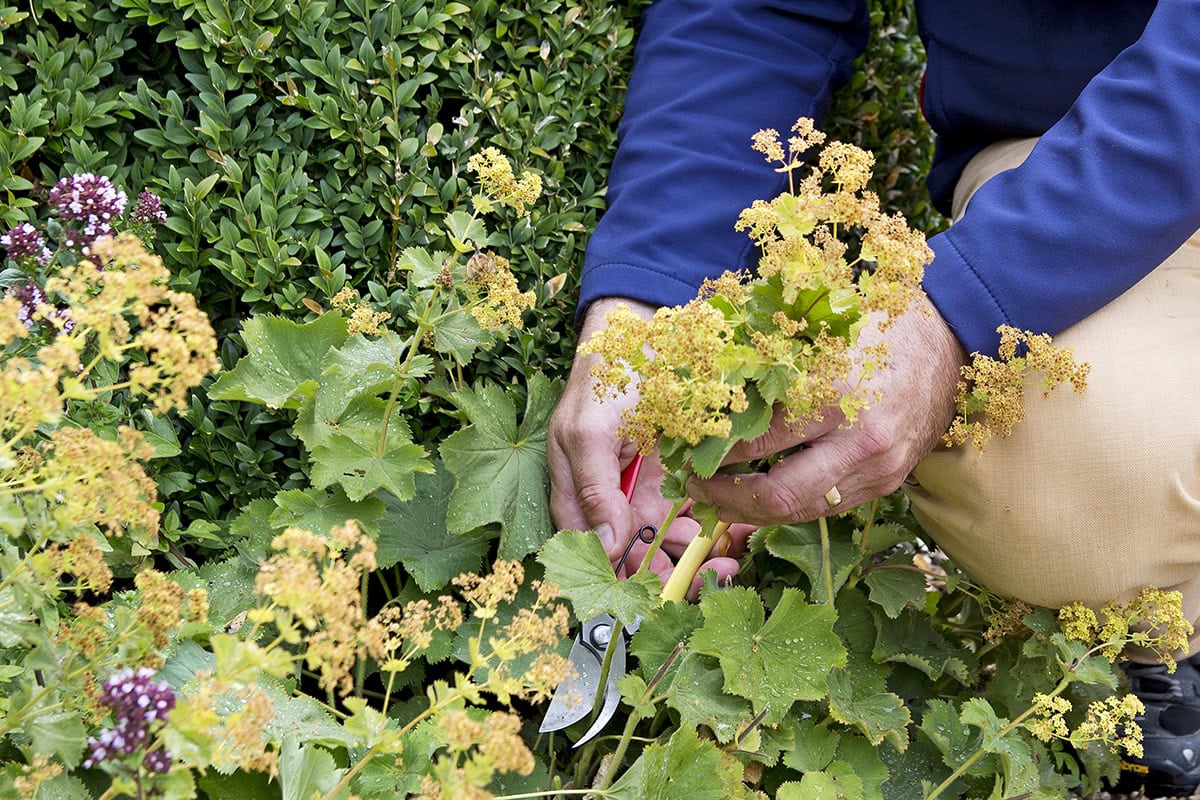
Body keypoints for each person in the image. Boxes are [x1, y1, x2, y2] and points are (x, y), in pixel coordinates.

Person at [546, 1, 1200, 795]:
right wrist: (645, 306)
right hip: (1078, 146)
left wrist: (958, 308)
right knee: (1057, 447)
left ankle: (1176, 633)